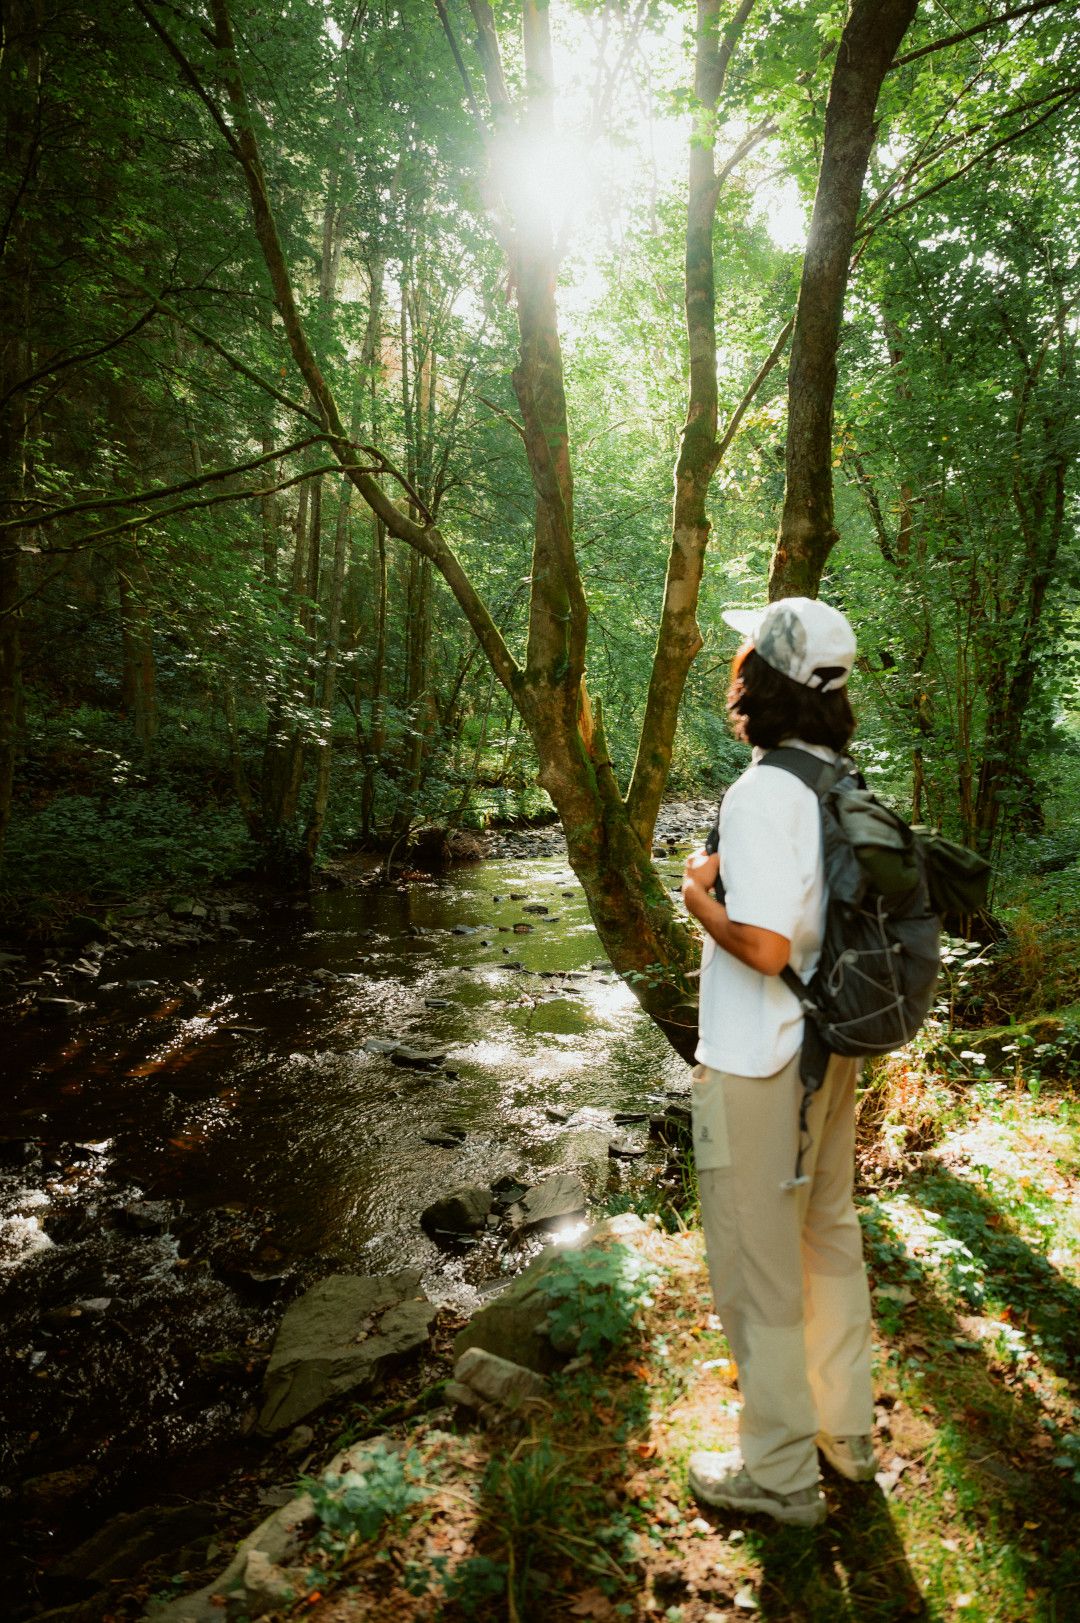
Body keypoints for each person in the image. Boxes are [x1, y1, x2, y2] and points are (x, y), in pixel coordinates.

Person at [680, 596, 877, 1529]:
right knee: (828, 1233)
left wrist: (697, 901)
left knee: (758, 1262)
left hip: (761, 1063)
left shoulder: (764, 789)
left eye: (745, 653)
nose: (735, 667)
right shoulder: (835, 775)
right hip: (828, 1052)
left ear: (764, 678)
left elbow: (762, 946)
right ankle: (847, 1437)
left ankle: (780, 1476)